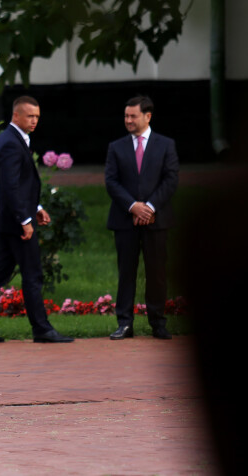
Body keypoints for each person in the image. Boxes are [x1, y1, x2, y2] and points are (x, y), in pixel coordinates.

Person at [0, 96, 73, 344]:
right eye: (29, 116)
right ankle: (42, 329)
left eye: (37, 116)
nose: (34, 121)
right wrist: (25, 220)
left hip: (10, 217)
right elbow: (11, 187)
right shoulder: (11, 143)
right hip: (15, 220)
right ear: (16, 116)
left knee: (0, 272)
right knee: (32, 273)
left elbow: (19, 183)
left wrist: (36, 207)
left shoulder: (14, 139)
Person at [105, 95, 178, 340]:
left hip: (156, 220)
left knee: (156, 272)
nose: (128, 120)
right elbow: (111, 182)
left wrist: (149, 207)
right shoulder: (116, 147)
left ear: (148, 116)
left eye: (133, 116)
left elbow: (170, 179)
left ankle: (158, 322)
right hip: (125, 220)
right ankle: (124, 323)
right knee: (127, 271)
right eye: (126, 116)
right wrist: (132, 206)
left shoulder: (165, 145)